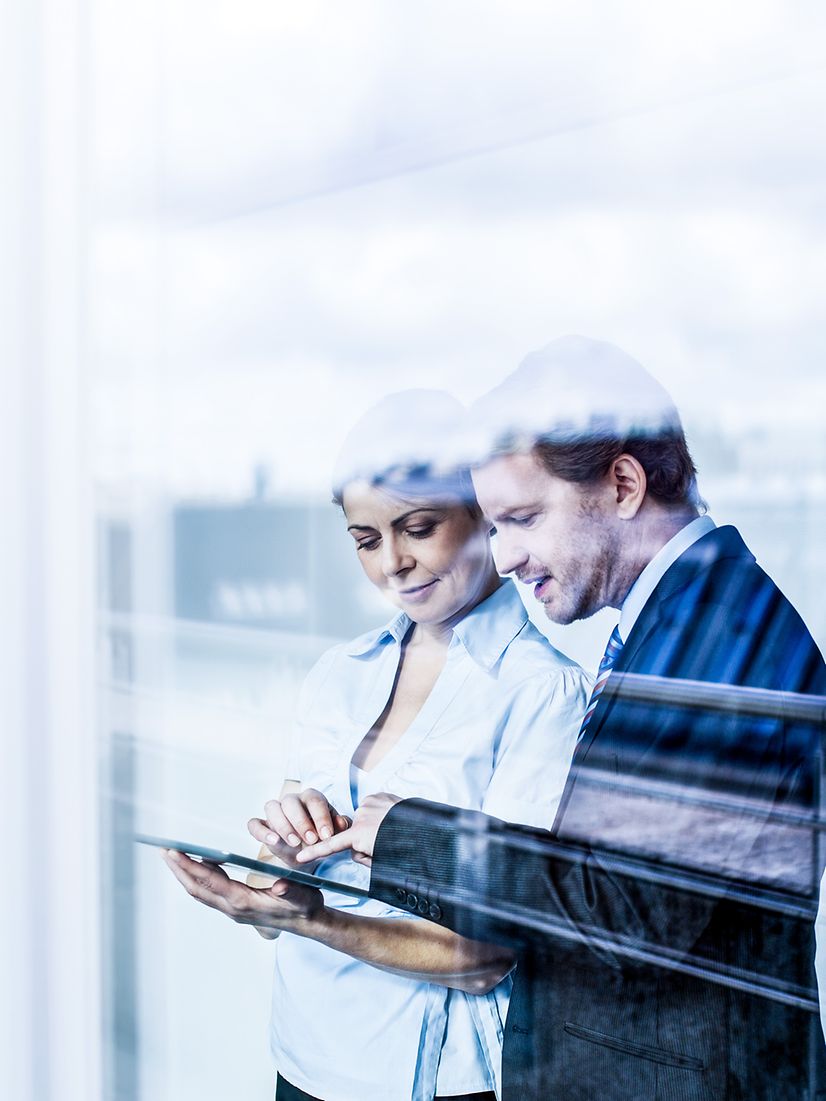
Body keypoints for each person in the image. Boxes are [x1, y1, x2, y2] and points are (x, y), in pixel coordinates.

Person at [294, 337, 826, 1101]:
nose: (504, 556)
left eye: (521, 517)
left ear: (623, 483)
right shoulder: (689, 619)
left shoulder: (720, 640)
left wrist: (406, 832)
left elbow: (624, 908)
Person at [165, 389, 590, 1101]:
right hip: (301, 1059)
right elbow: (282, 905)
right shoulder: (339, 675)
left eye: (417, 527)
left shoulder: (542, 694)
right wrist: (280, 858)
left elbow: (489, 953)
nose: (392, 562)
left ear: (482, 511)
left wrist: (314, 918)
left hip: (429, 1083)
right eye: (366, 540)